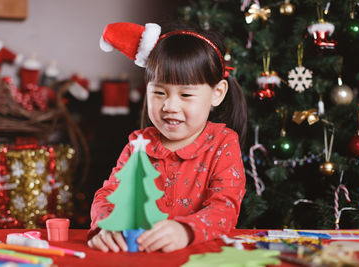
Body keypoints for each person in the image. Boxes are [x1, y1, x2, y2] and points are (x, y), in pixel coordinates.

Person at [88, 22, 247, 253]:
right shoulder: (138, 145)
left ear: (217, 93)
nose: (170, 106)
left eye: (186, 94)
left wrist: (186, 230)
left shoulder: (223, 144)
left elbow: (224, 207)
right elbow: (109, 194)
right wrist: (107, 225)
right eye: (159, 93)